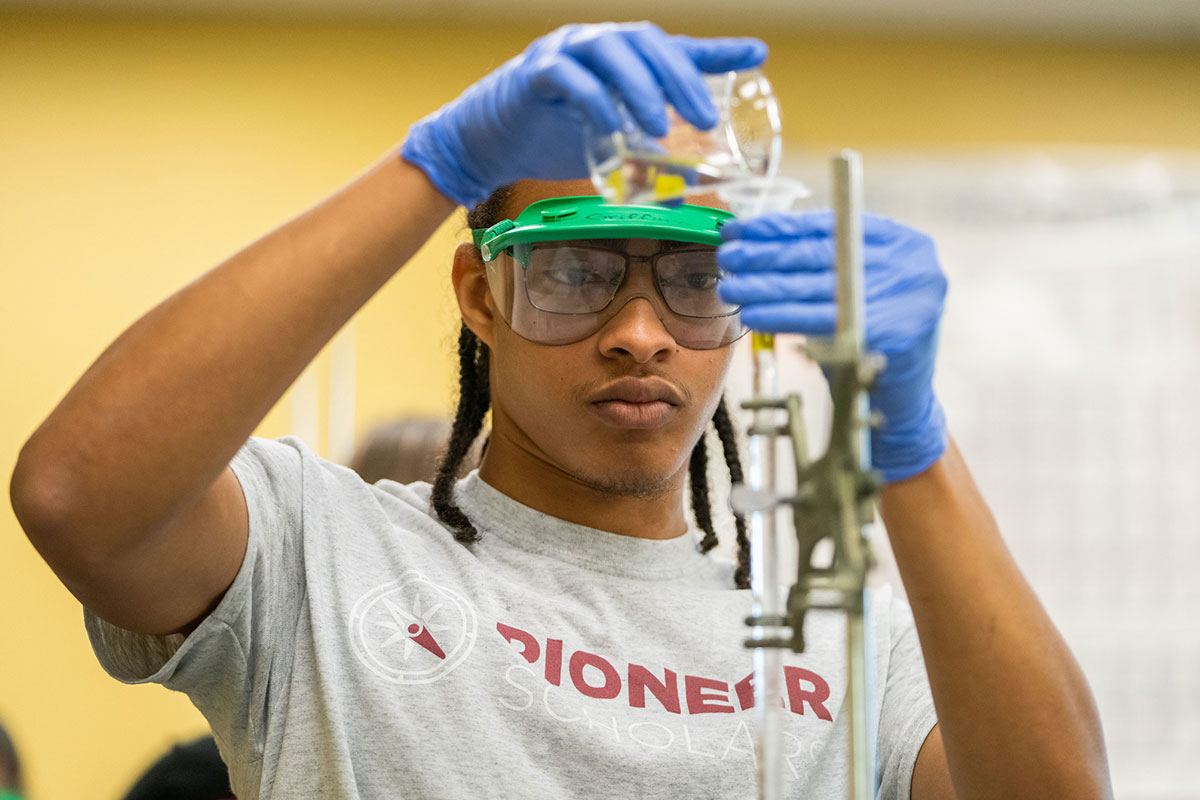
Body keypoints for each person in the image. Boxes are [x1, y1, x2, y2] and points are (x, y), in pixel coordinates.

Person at [10, 22, 1112, 800]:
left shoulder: (843, 632)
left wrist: (907, 435)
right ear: (481, 295)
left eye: (693, 278)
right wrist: (430, 164)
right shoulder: (321, 552)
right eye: (575, 271)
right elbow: (76, 493)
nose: (640, 332)